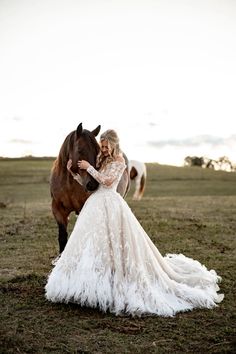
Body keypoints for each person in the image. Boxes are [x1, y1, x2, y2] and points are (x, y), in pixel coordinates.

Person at [45, 129, 223, 316]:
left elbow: (107, 181)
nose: (103, 150)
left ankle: (114, 277)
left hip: (111, 204)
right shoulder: (102, 160)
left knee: (114, 240)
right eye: (102, 146)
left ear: (113, 145)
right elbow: (90, 184)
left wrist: (89, 167)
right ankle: (87, 280)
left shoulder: (120, 161)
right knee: (91, 244)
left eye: (106, 146)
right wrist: (72, 172)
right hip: (95, 204)